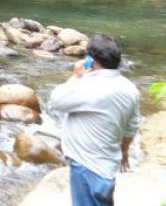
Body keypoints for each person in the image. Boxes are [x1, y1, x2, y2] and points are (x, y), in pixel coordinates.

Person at [49, 33, 141, 206]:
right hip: (108, 167)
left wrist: (76, 75)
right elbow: (132, 126)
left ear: (90, 59)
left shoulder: (87, 86)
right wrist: (124, 151)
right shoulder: (131, 89)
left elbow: (55, 101)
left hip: (86, 167)